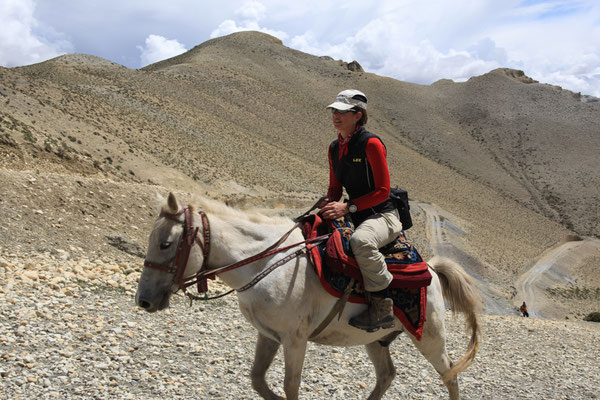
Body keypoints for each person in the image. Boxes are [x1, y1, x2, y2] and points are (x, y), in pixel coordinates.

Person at [320, 89, 403, 332]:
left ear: (358, 115)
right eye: (334, 110)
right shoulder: (335, 148)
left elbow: (383, 191)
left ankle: (381, 307)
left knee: (361, 241)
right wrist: (327, 203)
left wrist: (346, 207)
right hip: (354, 213)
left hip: (382, 215)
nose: (336, 115)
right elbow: (335, 188)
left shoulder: (371, 143)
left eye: (343, 111)